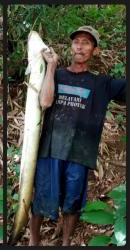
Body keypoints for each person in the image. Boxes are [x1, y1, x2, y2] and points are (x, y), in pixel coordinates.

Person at [29, 26, 126, 246]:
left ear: (95, 51)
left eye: (87, 43)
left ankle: (66, 243)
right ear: (71, 46)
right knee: (42, 196)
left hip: (79, 154)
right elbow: (44, 102)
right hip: (50, 150)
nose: (80, 46)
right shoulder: (55, 73)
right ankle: (33, 241)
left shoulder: (102, 83)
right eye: (77, 41)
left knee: (72, 203)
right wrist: (51, 67)